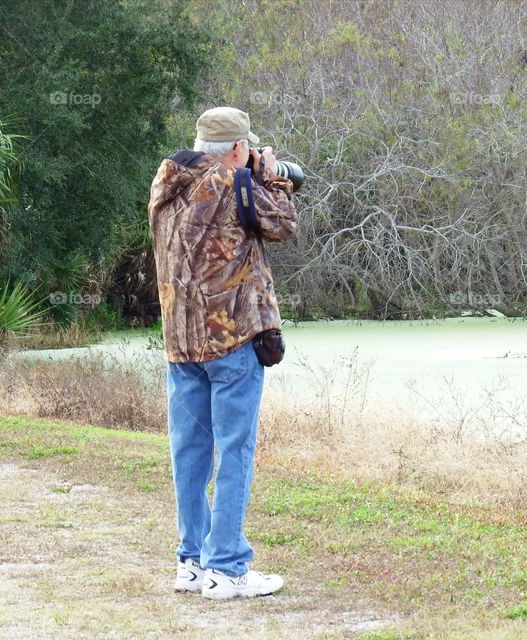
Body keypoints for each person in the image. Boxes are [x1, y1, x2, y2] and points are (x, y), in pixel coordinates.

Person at [147, 106, 299, 599]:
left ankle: (192, 561)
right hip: (231, 342)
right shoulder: (235, 188)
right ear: (237, 148)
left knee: (189, 451)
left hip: (181, 343)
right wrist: (273, 177)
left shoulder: (166, 183)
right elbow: (282, 224)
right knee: (235, 450)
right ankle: (229, 567)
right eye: (247, 148)